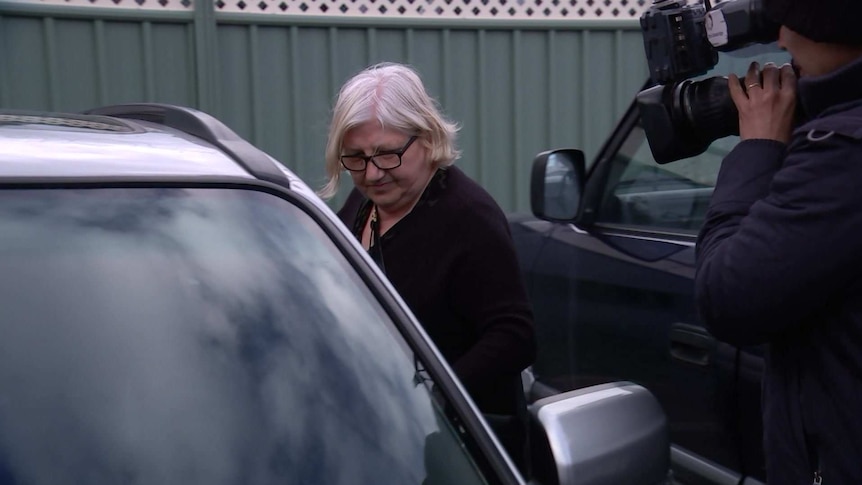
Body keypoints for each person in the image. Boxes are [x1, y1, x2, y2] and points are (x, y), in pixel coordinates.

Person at [319, 62, 536, 469]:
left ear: (428, 136)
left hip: (459, 452)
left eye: (387, 154)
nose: (372, 173)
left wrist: (431, 400)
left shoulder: (469, 218)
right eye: (355, 158)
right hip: (381, 436)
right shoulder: (361, 205)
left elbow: (515, 336)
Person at [695, 0, 862, 483]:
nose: (783, 41)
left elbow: (727, 296)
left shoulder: (843, 155)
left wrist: (759, 149)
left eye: (793, 24)